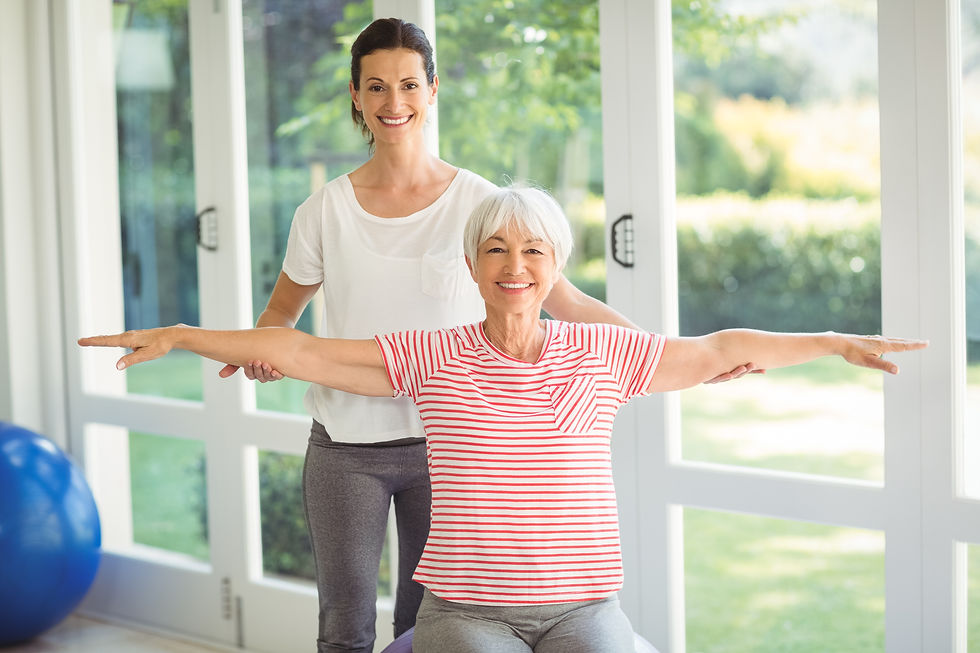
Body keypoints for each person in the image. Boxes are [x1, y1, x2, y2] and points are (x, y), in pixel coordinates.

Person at [80, 186, 927, 653]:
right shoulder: (436, 354)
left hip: (582, 607)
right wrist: (184, 333)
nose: (514, 265)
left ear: (555, 265)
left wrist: (830, 340)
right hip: (468, 613)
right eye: (496, 249)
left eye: (533, 251)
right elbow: (305, 351)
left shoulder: (600, 352)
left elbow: (716, 347)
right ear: (473, 264)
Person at [219, 16, 755, 653]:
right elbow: (280, 316)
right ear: (357, 96)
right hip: (346, 445)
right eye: (377, 87)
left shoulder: (478, 203)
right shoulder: (324, 210)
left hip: (449, 443)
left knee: (425, 630)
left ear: (433, 89)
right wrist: (262, 352)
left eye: (410, 84)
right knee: (344, 629)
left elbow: (566, 300)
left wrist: (671, 357)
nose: (395, 102)